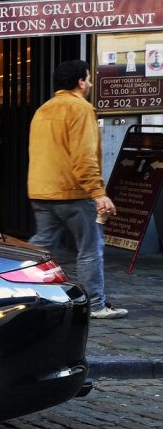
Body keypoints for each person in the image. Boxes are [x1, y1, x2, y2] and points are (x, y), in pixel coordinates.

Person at [27, 60, 127, 320]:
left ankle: (20, 289)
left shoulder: (43, 109)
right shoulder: (80, 108)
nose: (91, 83)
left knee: (41, 247)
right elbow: (83, 156)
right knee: (90, 248)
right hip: (73, 191)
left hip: (41, 190)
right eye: (89, 79)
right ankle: (95, 304)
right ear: (80, 82)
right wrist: (98, 192)